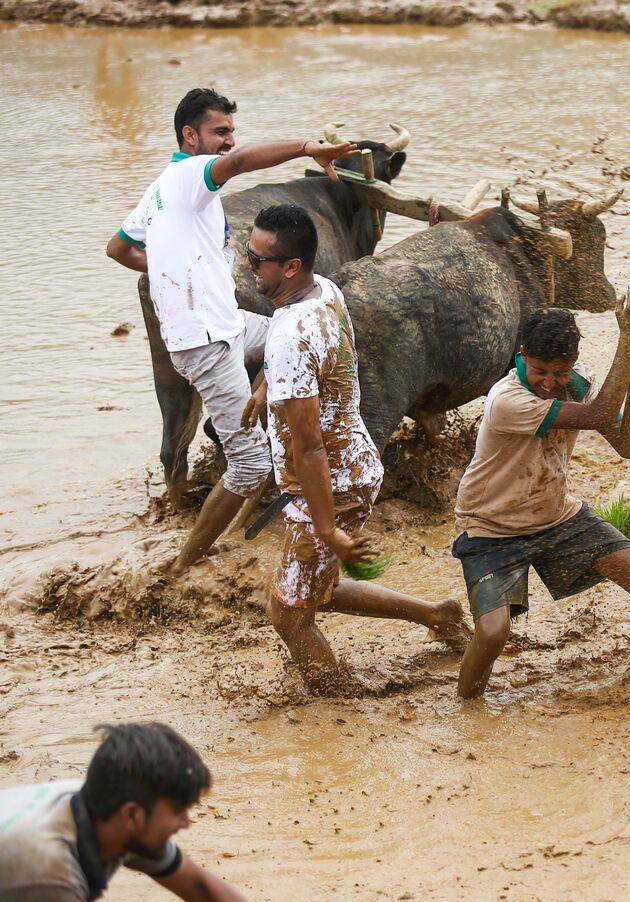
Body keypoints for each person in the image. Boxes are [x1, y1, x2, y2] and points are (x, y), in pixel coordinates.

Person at [105, 88, 357, 577]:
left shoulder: (162, 188)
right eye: (220, 131)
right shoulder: (188, 177)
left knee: (302, 335)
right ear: (189, 135)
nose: (229, 141)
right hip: (207, 341)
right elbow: (240, 162)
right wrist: (309, 148)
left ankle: (289, 426)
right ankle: (184, 563)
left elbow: (119, 247)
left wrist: (175, 277)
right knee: (249, 465)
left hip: (230, 325)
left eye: (231, 131)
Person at [240, 204, 465, 696]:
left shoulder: (291, 338)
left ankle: (336, 709)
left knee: (288, 616)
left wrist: (326, 527)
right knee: (321, 589)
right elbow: (316, 362)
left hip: (330, 483)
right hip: (352, 465)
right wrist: (265, 388)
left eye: (257, 259)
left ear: (291, 267)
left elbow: (311, 447)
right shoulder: (323, 292)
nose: (247, 265)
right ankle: (437, 614)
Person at [452, 287, 630, 698]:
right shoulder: (507, 400)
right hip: (490, 527)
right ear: (521, 354)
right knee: (492, 632)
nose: (549, 383)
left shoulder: (574, 384)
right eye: (540, 370)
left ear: (572, 363)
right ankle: (467, 709)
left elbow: (628, 445)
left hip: (557, 517)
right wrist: (627, 342)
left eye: (560, 372)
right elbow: (597, 415)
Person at [0, 722, 275, 902]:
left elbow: (199, 887)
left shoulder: (104, 809)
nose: (186, 823)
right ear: (131, 816)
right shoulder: (47, 869)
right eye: (178, 812)